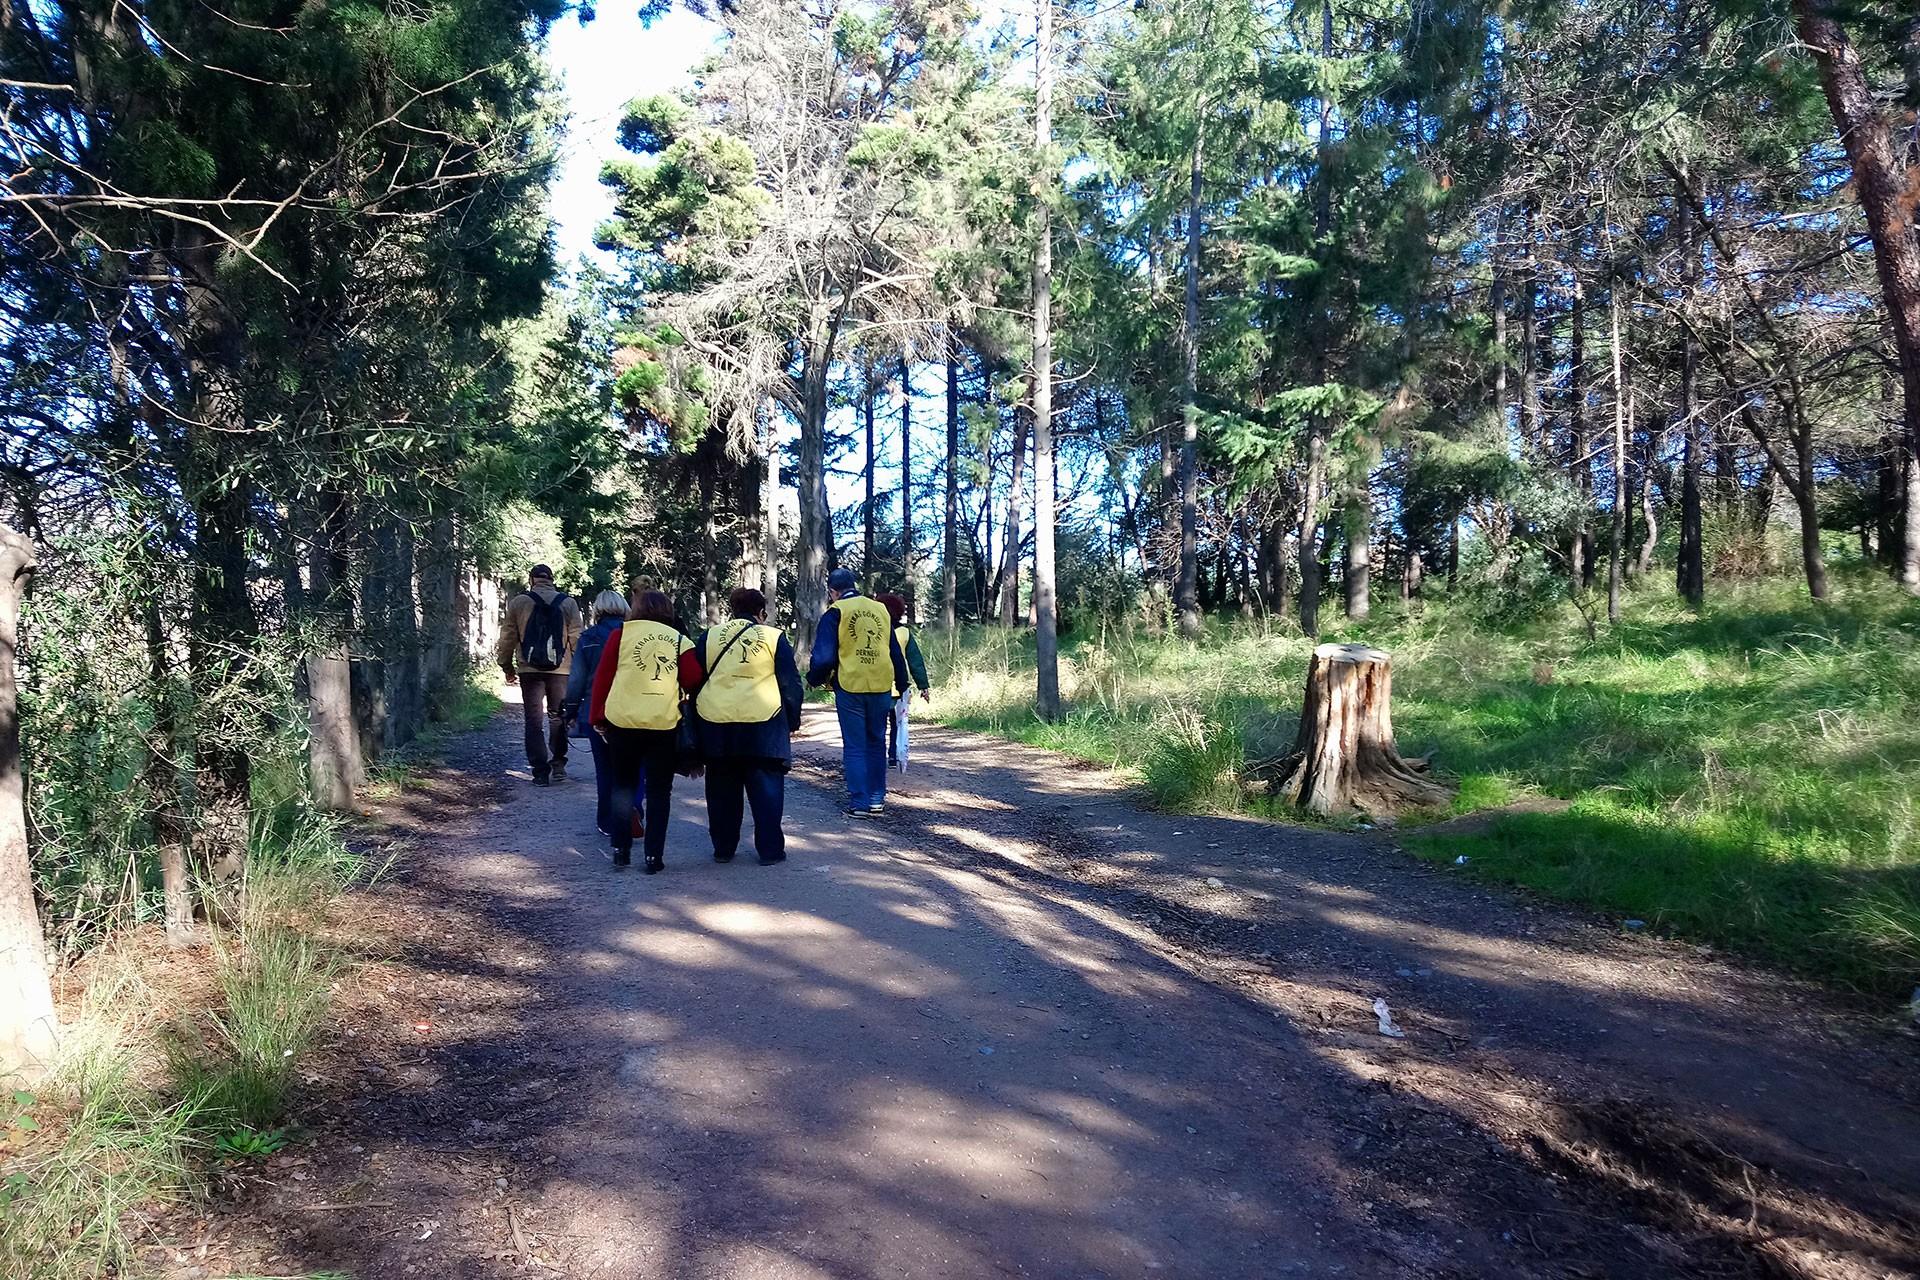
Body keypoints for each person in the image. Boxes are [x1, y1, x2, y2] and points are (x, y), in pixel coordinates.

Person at [589, 591, 701, 873]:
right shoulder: (679, 640)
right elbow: (693, 678)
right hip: (662, 723)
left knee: (622, 785)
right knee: (659, 790)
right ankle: (654, 856)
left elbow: (604, 678)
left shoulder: (620, 635)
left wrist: (597, 718)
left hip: (622, 722)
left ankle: (620, 849)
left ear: (635, 608)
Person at [694, 588, 804, 865]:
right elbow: (790, 683)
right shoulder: (773, 637)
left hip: (717, 723)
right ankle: (769, 851)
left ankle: (723, 848)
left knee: (721, 790)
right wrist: (792, 720)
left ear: (732, 610)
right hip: (763, 724)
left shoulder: (710, 637)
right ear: (761, 612)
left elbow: (695, 680)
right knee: (766, 789)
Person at [807, 568, 908, 818]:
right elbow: (894, 650)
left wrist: (814, 679)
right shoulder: (880, 610)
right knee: (876, 743)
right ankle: (876, 800)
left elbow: (824, 656)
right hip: (881, 685)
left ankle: (860, 803)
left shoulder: (835, 612)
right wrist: (903, 682)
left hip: (851, 686)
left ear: (833, 592)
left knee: (854, 746)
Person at [496, 563, 584, 787]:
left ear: (531, 579)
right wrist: (578, 670)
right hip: (561, 671)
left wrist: (507, 667)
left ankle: (540, 772)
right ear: (552, 579)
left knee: (533, 720)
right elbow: (576, 638)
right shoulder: (568, 603)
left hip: (529, 670)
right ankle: (559, 764)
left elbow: (508, 636)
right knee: (558, 716)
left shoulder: (519, 602)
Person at [563, 590, 638, 844]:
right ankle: (633, 807)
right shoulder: (635, 636)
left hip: (597, 712)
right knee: (634, 766)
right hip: (632, 711)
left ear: (597, 610)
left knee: (605, 770)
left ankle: (607, 821)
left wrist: (570, 711)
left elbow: (577, 679)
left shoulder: (588, 638)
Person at [876, 593, 930, 769]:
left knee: (878, 725)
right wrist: (923, 686)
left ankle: (876, 756)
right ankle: (893, 756)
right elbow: (915, 661)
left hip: (875, 687)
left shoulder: (875, 631)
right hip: (899, 688)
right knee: (896, 724)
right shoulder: (905, 633)